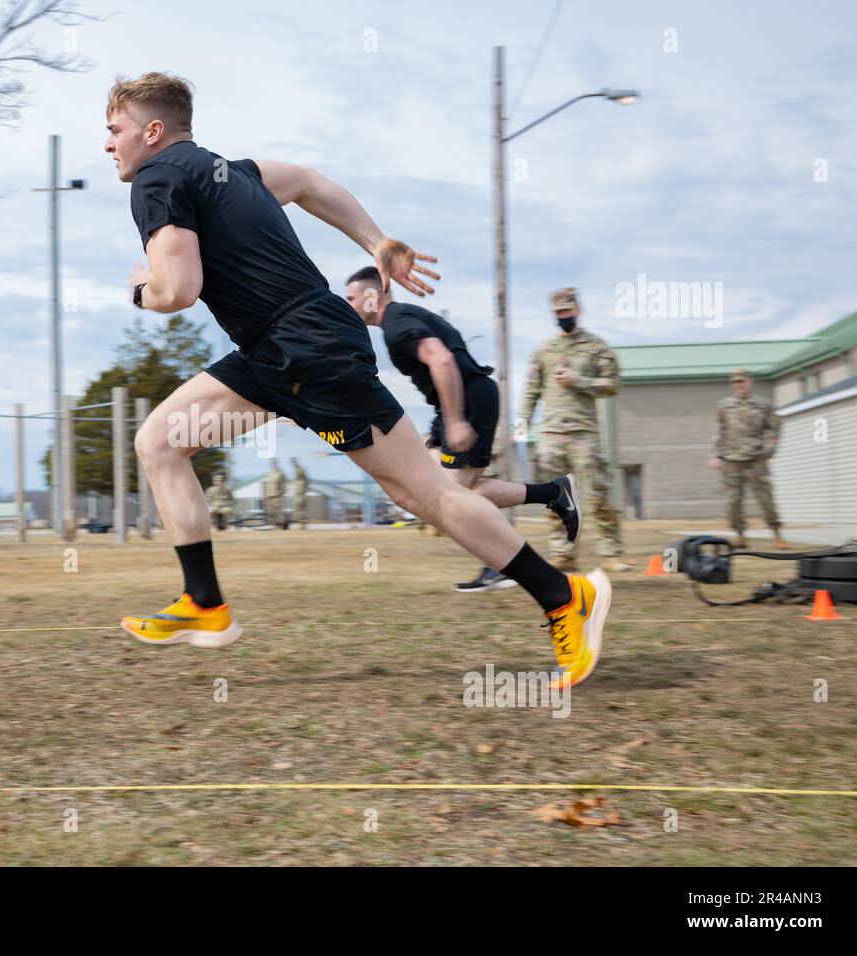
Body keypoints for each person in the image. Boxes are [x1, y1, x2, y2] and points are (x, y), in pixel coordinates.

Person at [107, 72, 609, 688]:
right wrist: (376, 241)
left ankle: (564, 595)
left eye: (116, 130)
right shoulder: (234, 171)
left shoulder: (157, 180)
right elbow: (312, 183)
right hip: (271, 353)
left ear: (152, 131)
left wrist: (140, 291)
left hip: (306, 350)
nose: (110, 145)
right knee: (160, 442)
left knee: (428, 494)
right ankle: (205, 604)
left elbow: (177, 290)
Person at [344, 267, 580, 592]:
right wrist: (442, 425)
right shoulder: (399, 320)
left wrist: (455, 421)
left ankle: (514, 547)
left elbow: (442, 360)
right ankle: (551, 496)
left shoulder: (397, 324)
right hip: (457, 402)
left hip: (469, 402)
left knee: (454, 498)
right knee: (439, 487)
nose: (348, 304)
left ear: (373, 295)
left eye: (351, 297)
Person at [520, 288, 631, 573]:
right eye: (558, 313)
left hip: (584, 433)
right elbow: (532, 391)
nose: (563, 316)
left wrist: (578, 379)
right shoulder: (543, 351)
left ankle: (611, 554)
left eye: (567, 311)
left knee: (598, 492)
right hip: (551, 434)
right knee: (557, 497)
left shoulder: (597, 347)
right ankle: (563, 553)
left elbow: (613, 384)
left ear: (578, 309)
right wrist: (522, 422)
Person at [711, 369, 785, 549]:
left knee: (765, 498)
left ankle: (777, 535)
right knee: (733, 501)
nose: (740, 385)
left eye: (742, 381)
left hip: (756, 459)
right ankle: (740, 535)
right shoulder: (724, 406)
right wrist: (715, 454)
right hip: (731, 459)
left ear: (749, 382)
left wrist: (768, 450)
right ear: (732, 384)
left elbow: (775, 429)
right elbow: (718, 431)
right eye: (736, 382)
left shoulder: (763, 405)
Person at [263, 460, 287, 529]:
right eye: (272, 463)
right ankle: (276, 525)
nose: (273, 464)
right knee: (271, 512)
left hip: (277, 495)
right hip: (270, 495)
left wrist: (281, 492)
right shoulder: (269, 473)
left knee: (278, 511)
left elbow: (284, 484)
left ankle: (281, 526)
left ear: (277, 463)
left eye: (274, 463)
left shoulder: (281, 473)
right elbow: (267, 485)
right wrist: (266, 495)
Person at [290, 457, 309, 528]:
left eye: (294, 461)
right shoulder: (295, 470)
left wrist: (306, 492)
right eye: (292, 462)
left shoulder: (301, 469)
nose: (293, 463)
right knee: (298, 508)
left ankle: (303, 524)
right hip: (297, 492)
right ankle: (300, 523)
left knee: (301, 508)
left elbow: (306, 480)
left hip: (302, 492)